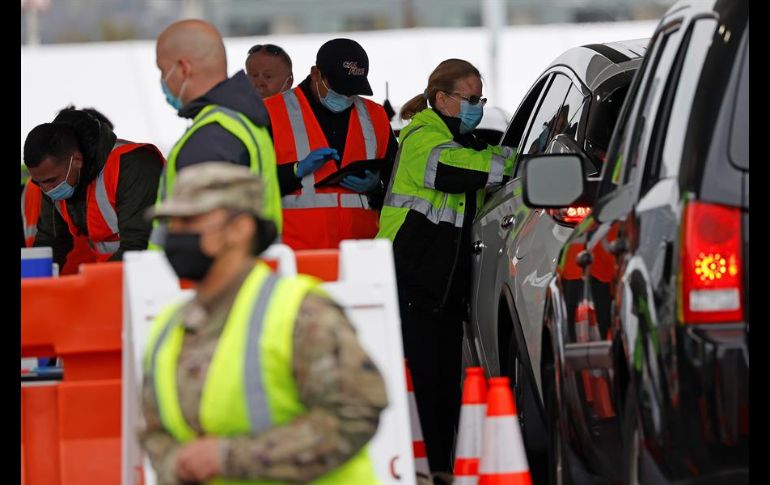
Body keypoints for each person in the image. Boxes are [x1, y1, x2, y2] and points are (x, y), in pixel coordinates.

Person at [140, 162, 388, 484]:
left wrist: (230, 457)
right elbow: (154, 429)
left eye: (190, 220)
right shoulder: (169, 328)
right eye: (171, 222)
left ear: (240, 228)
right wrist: (176, 464)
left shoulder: (299, 313)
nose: (175, 234)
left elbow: (355, 414)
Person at [376, 59, 517, 475]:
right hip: (410, 283)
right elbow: (457, 168)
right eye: (469, 99)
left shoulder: (460, 138)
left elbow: (481, 156)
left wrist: (512, 154)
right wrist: (514, 164)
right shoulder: (423, 135)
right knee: (423, 392)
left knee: (440, 391)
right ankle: (425, 470)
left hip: (438, 289)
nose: (475, 106)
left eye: (481, 99)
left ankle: (439, 469)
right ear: (441, 98)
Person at [152, 19, 282, 247]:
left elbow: (203, 242)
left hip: (198, 280)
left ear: (183, 69)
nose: (163, 81)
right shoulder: (243, 121)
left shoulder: (210, 139)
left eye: (163, 71)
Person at [263, 38, 398, 250]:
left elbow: (399, 184)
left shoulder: (376, 116)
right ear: (316, 74)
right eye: (339, 89)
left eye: (352, 90)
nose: (346, 96)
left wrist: (377, 187)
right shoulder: (271, 112)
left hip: (361, 255)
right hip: (297, 256)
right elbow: (248, 185)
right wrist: (294, 172)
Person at [22, 107, 165, 273]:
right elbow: (51, 241)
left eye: (51, 181)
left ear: (76, 160)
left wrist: (99, 283)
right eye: (39, 183)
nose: (46, 190)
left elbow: (137, 243)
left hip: (158, 273)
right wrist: (33, 284)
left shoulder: (132, 164)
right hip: (115, 276)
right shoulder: (58, 180)